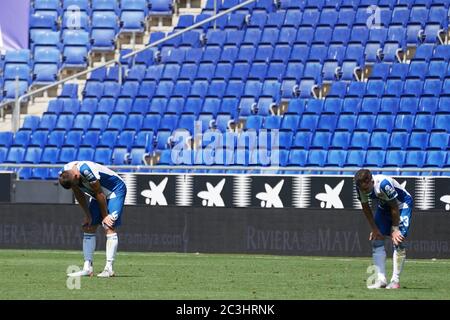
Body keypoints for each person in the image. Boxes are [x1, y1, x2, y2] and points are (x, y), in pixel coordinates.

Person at [58, 161, 127, 278]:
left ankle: (109, 268)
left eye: (76, 183)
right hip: (97, 194)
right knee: (88, 226)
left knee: (108, 226)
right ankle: (87, 268)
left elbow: (100, 193)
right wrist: (87, 215)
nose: (76, 185)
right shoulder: (66, 173)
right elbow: (79, 194)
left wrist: (105, 216)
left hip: (114, 191)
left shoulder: (86, 170)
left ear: (76, 175)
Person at [354, 169, 413, 289]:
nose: (364, 191)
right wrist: (374, 229)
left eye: (366, 189)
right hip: (384, 206)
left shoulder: (383, 184)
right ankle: (381, 280)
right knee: (377, 239)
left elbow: (395, 207)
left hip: (401, 204)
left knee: (398, 239)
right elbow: (366, 208)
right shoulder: (360, 187)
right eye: (362, 189)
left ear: (371, 181)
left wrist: (395, 229)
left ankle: (395, 281)